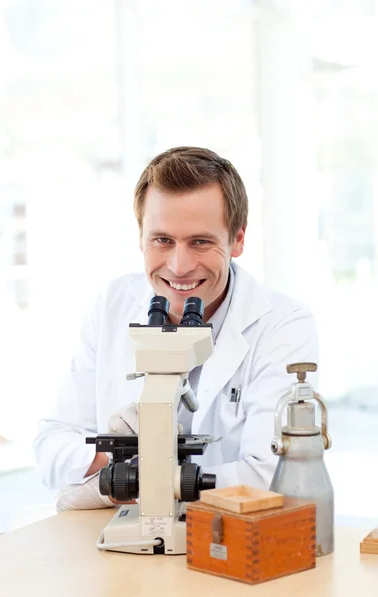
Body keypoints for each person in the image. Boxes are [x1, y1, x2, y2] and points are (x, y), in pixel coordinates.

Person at [33, 146, 318, 511]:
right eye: (162, 240)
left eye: (200, 241)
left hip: (223, 539)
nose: (179, 266)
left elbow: (270, 477)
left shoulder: (282, 325)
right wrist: (122, 460)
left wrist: (136, 476)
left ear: (238, 240)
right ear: (141, 238)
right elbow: (52, 445)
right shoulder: (113, 305)